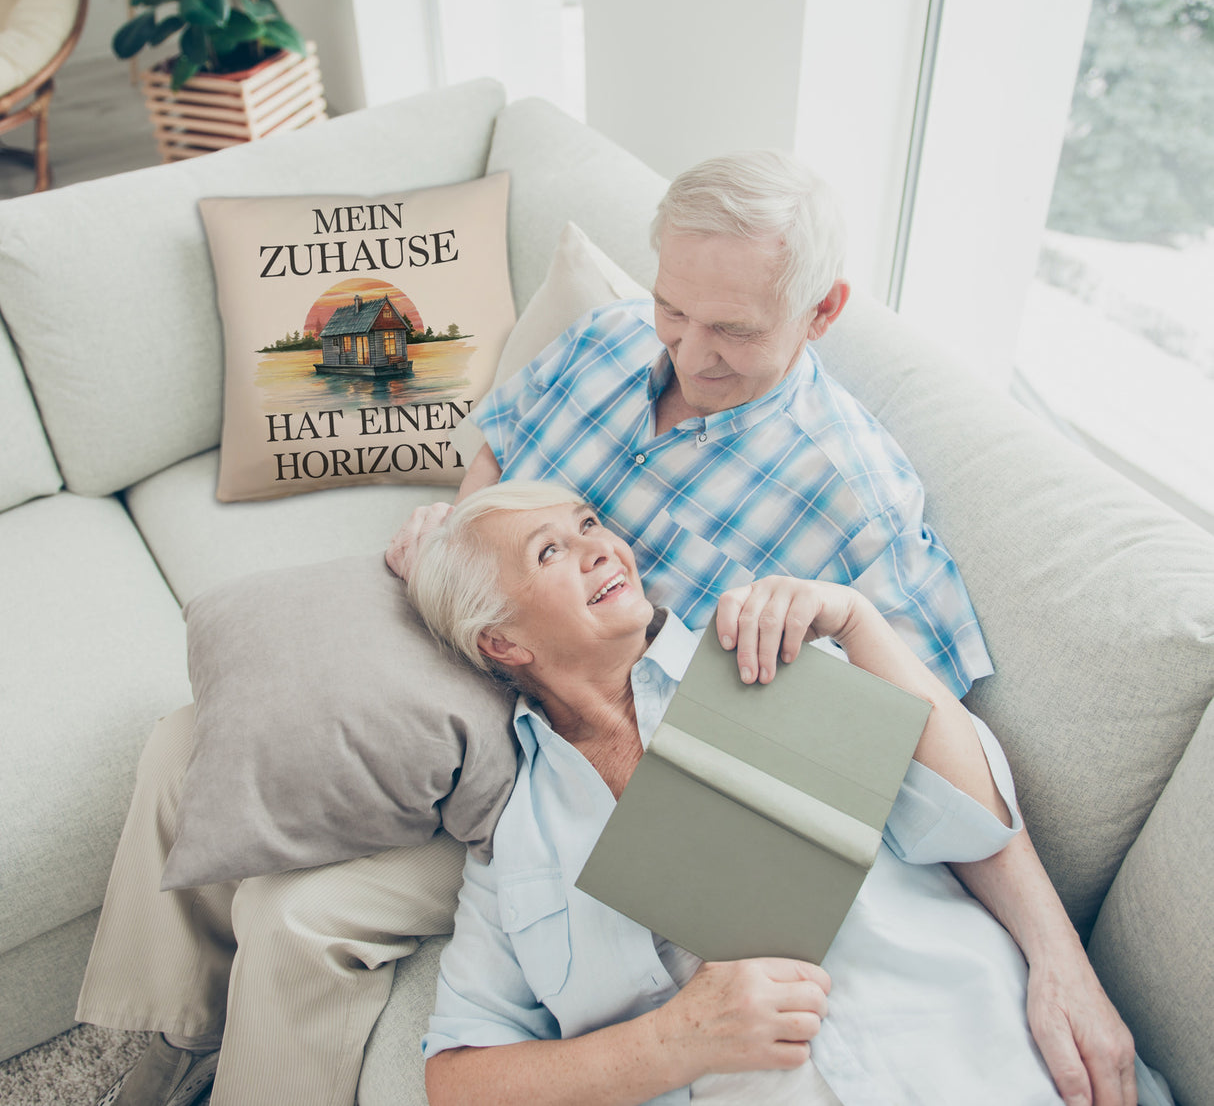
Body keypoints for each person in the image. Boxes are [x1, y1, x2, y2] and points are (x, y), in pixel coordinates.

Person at [79, 152, 1131, 1106]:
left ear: (820, 312)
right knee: (192, 738)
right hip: (489, 641)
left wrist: (1057, 955)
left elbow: (927, 747)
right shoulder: (608, 339)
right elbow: (498, 450)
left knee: (300, 916)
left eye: (732, 330)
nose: (687, 349)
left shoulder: (853, 499)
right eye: (674, 307)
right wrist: (457, 534)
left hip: (579, 745)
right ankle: (159, 1042)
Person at [406, 480, 1160, 1106]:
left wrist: (859, 623)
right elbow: (458, 1080)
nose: (601, 546)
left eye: (589, 524)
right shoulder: (516, 843)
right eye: (550, 551)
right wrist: (674, 1041)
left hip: (985, 1059)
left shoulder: (762, 653)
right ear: (502, 642)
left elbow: (972, 821)